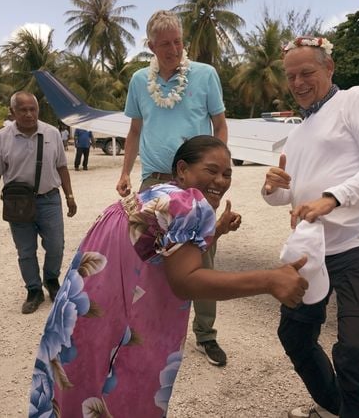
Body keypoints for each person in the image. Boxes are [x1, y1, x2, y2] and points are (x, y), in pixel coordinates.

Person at [29, 136, 309, 418]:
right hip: (118, 322)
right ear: (183, 170)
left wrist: (216, 231)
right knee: (118, 398)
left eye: (227, 174)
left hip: (83, 315)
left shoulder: (158, 193)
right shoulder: (191, 205)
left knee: (76, 392)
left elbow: (162, 252)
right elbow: (185, 281)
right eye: (211, 171)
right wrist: (269, 280)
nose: (221, 181)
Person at [262, 36, 359, 418]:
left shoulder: (356, 100)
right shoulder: (298, 130)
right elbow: (284, 196)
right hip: (313, 248)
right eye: (291, 76)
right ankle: (338, 406)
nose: (298, 83)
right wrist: (272, 187)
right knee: (294, 334)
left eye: (307, 72)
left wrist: (332, 197)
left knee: (356, 348)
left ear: (329, 67)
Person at [116, 9, 231, 367]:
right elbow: (135, 130)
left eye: (178, 41)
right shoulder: (139, 81)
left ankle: (206, 335)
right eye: (164, 43)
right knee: (150, 255)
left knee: (201, 253)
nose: (173, 49)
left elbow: (220, 125)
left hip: (195, 179)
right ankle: (151, 328)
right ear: (151, 46)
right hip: (154, 179)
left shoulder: (205, 75)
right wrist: (124, 172)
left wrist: (220, 172)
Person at [0, 91, 77, 314]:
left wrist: (69, 196)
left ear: (38, 110)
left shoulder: (51, 133)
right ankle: (34, 290)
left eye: (32, 109)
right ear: (12, 112)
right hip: (18, 203)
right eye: (22, 110)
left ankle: (51, 280)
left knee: (56, 245)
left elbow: (62, 166)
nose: (28, 114)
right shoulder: (2, 138)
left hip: (49, 199)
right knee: (25, 250)